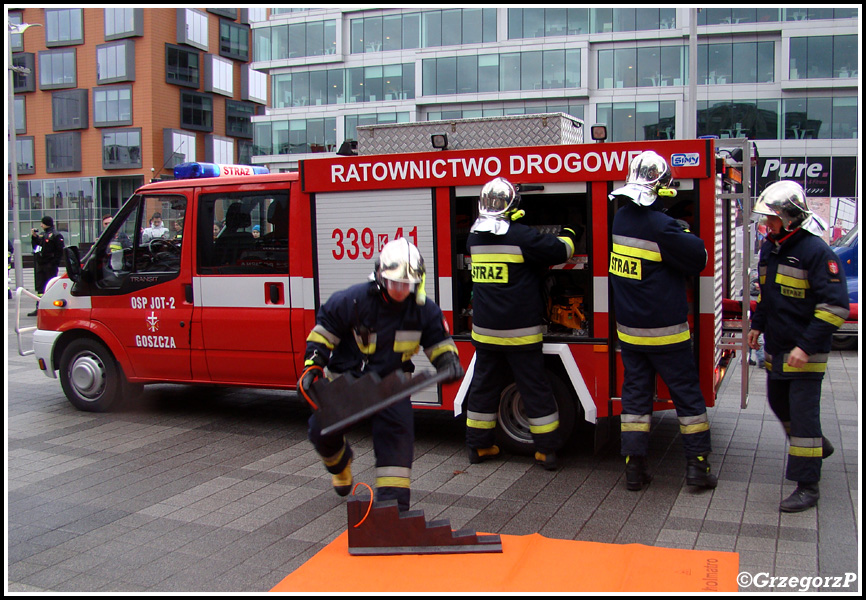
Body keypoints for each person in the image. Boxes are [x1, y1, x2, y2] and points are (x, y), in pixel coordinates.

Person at [299, 238, 463, 512]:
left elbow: (440, 342)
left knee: (397, 442)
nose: (401, 290)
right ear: (379, 276)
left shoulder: (425, 310)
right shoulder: (352, 301)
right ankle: (341, 465)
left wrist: (448, 362)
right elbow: (324, 332)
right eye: (395, 283)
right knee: (320, 430)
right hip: (349, 382)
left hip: (391, 386)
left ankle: (393, 511)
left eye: (407, 284)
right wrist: (313, 365)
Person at [608, 151, 717, 491]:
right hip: (667, 335)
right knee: (687, 399)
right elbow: (698, 258)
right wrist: (681, 229)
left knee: (636, 402)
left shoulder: (620, 220)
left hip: (631, 333)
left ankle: (634, 469)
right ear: (659, 188)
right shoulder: (662, 226)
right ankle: (698, 469)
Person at [463, 177, 578, 470]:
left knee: (483, 387)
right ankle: (546, 452)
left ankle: (478, 446)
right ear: (513, 206)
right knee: (534, 389)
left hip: (486, 333)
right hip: (520, 334)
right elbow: (562, 251)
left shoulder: (473, 238)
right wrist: (569, 229)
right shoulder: (522, 236)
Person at [748, 181, 849, 513]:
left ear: (791, 218)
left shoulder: (817, 253)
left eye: (772, 218)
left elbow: (835, 308)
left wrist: (805, 347)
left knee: (803, 420)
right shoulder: (770, 248)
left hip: (806, 355)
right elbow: (767, 295)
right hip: (778, 348)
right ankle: (817, 446)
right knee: (779, 403)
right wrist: (757, 326)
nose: (766, 224)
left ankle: (808, 485)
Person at [29, 216, 65, 316]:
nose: (41, 225)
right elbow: (37, 247)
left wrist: (55, 262)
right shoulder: (42, 234)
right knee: (40, 286)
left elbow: (60, 250)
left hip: (50, 264)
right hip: (41, 263)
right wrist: (34, 237)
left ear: (46, 223)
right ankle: (39, 307)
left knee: (49, 285)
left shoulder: (56, 235)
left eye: (42, 223)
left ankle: (50, 307)